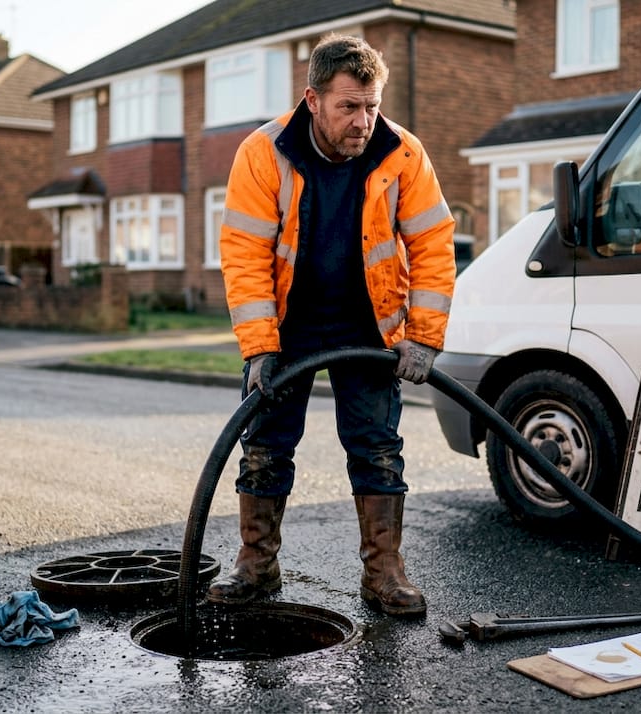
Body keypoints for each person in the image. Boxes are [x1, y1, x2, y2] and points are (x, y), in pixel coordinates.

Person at [209, 34, 456, 617]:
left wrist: (422, 335)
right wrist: (259, 346)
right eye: (349, 107)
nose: (363, 121)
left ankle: (385, 573)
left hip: (367, 328)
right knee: (265, 447)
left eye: (372, 106)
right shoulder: (262, 152)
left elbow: (432, 243)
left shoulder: (402, 152)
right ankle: (257, 564)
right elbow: (243, 253)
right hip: (287, 328)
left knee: (377, 449)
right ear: (312, 99)